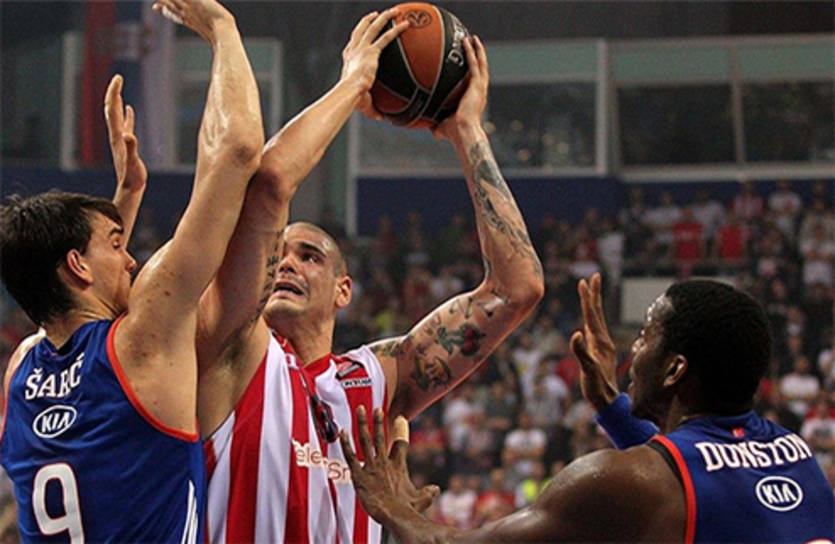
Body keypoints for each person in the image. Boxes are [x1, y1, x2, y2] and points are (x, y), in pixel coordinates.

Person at [194, 31, 542, 543]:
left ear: (344, 291)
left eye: (309, 256)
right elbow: (268, 185)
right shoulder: (231, 350)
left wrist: (467, 129)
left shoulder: (375, 380)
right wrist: (354, 83)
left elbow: (518, 288)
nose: (287, 264)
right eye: (280, 253)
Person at [0, 0, 264, 541]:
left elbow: (70, 310)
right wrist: (223, 27)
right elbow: (238, 151)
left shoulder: (22, 370)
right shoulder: (142, 341)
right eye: (117, 245)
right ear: (77, 265)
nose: (131, 260)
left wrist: (126, 196)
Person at [343, 274, 835, 542]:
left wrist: (391, 508)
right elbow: (696, 484)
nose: (632, 350)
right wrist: (613, 408)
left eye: (645, 337)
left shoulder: (623, 480)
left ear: (673, 370)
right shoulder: (795, 454)